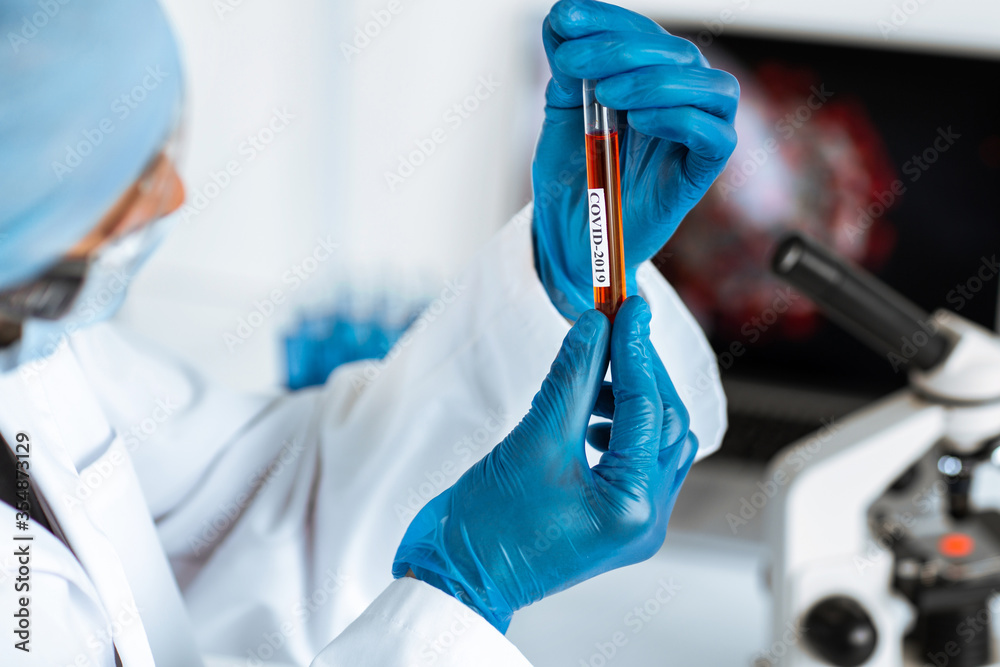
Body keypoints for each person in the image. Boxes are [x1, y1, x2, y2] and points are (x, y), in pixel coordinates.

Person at [0, 0, 738, 665]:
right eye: (120, 187)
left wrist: (553, 287)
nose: (174, 195)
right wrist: (460, 598)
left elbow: (252, 502)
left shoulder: (30, 342)